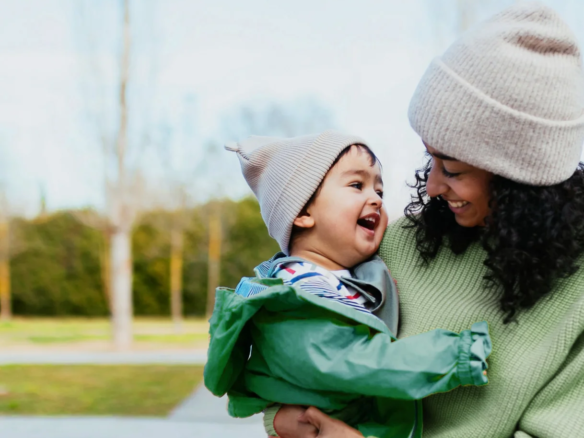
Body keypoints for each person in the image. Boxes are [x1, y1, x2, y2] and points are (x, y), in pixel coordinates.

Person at [272, 3, 584, 437]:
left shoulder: (577, 290)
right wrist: (285, 419)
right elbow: (300, 343)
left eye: (453, 169)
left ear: (520, 180)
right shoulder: (398, 243)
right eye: (429, 158)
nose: (433, 186)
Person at [203, 131, 492, 438]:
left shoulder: (344, 278)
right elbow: (359, 361)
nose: (376, 199)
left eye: (379, 190)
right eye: (357, 185)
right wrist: (456, 356)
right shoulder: (296, 299)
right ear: (302, 212)